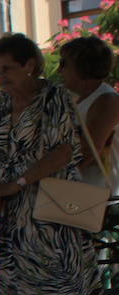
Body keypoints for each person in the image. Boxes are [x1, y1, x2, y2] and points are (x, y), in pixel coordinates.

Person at [0, 32, 95, 295]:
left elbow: (63, 152)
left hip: (54, 206)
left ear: (29, 64)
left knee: (67, 291)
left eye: (7, 69)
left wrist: (17, 183)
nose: (1, 76)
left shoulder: (54, 96)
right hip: (13, 215)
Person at [58, 36, 119, 198]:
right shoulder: (81, 99)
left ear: (82, 66)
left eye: (64, 64)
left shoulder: (107, 100)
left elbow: (87, 152)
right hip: (87, 196)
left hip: (104, 199)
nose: (59, 70)